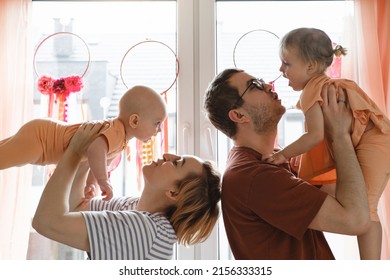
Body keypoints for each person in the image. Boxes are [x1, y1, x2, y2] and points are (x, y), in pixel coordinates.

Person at [203, 68, 370, 260]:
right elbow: (356, 221)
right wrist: (340, 136)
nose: (267, 85)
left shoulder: (272, 160)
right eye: (254, 85)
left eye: (260, 79)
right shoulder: (255, 177)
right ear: (239, 116)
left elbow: (347, 195)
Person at [273, 27, 390, 259]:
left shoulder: (311, 92)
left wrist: (282, 155)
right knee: (331, 193)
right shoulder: (322, 86)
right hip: (377, 141)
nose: (281, 69)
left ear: (310, 67)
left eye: (286, 63)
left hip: (376, 143)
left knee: (366, 209)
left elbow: (314, 136)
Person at [32, 121, 221, 260]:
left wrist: (73, 153)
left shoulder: (148, 231)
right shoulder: (133, 206)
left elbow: (45, 222)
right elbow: (75, 209)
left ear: (174, 193)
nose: (167, 155)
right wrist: (85, 157)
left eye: (177, 162)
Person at [0, 85, 167, 201]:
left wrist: (91, 184)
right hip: (42, 140)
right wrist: (103, 182)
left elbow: (97, 161)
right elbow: (95, 150)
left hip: (43, 140)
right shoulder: (116, 132)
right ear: (135, 120)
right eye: (157, 123)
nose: (159, 130)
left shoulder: (119, 141)